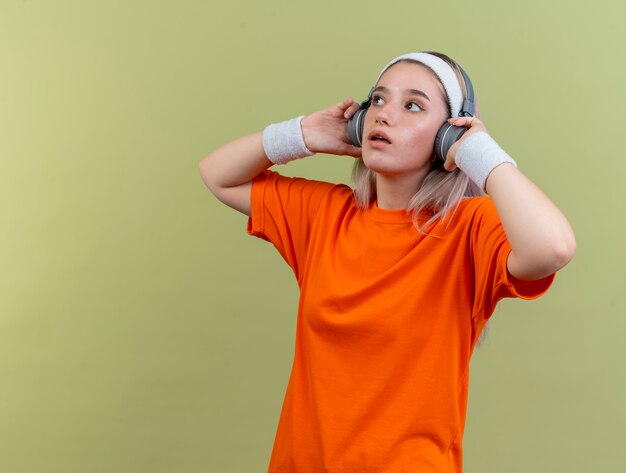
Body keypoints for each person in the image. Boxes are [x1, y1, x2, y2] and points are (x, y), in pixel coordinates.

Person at [198, 51, 576, 472]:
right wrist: (303, 134)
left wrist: (481, 156)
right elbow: (217, 174)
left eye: (413, 105)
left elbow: (553, 248)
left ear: (447, 138)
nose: (384, 115)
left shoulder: (470, 229)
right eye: (377, 100)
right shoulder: (325, 215)